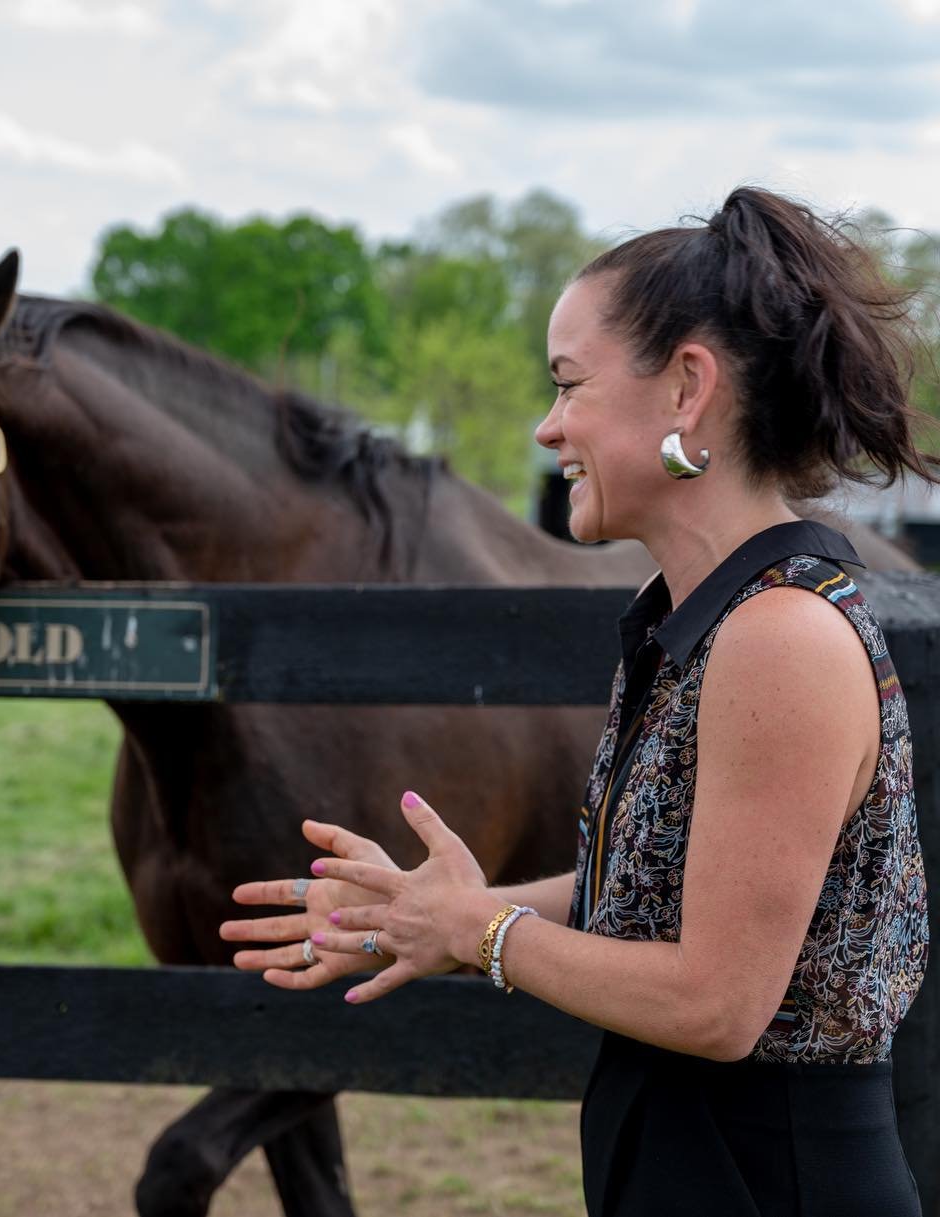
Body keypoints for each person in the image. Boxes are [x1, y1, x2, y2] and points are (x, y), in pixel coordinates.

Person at [219, 186, 935, 1216]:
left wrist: (481, 932)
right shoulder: (702, 617)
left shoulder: (780, 638)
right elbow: (655, 897)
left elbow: (719, 1002)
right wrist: (427, 916)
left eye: (568, 383)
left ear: (689, 387)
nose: (548, 425)